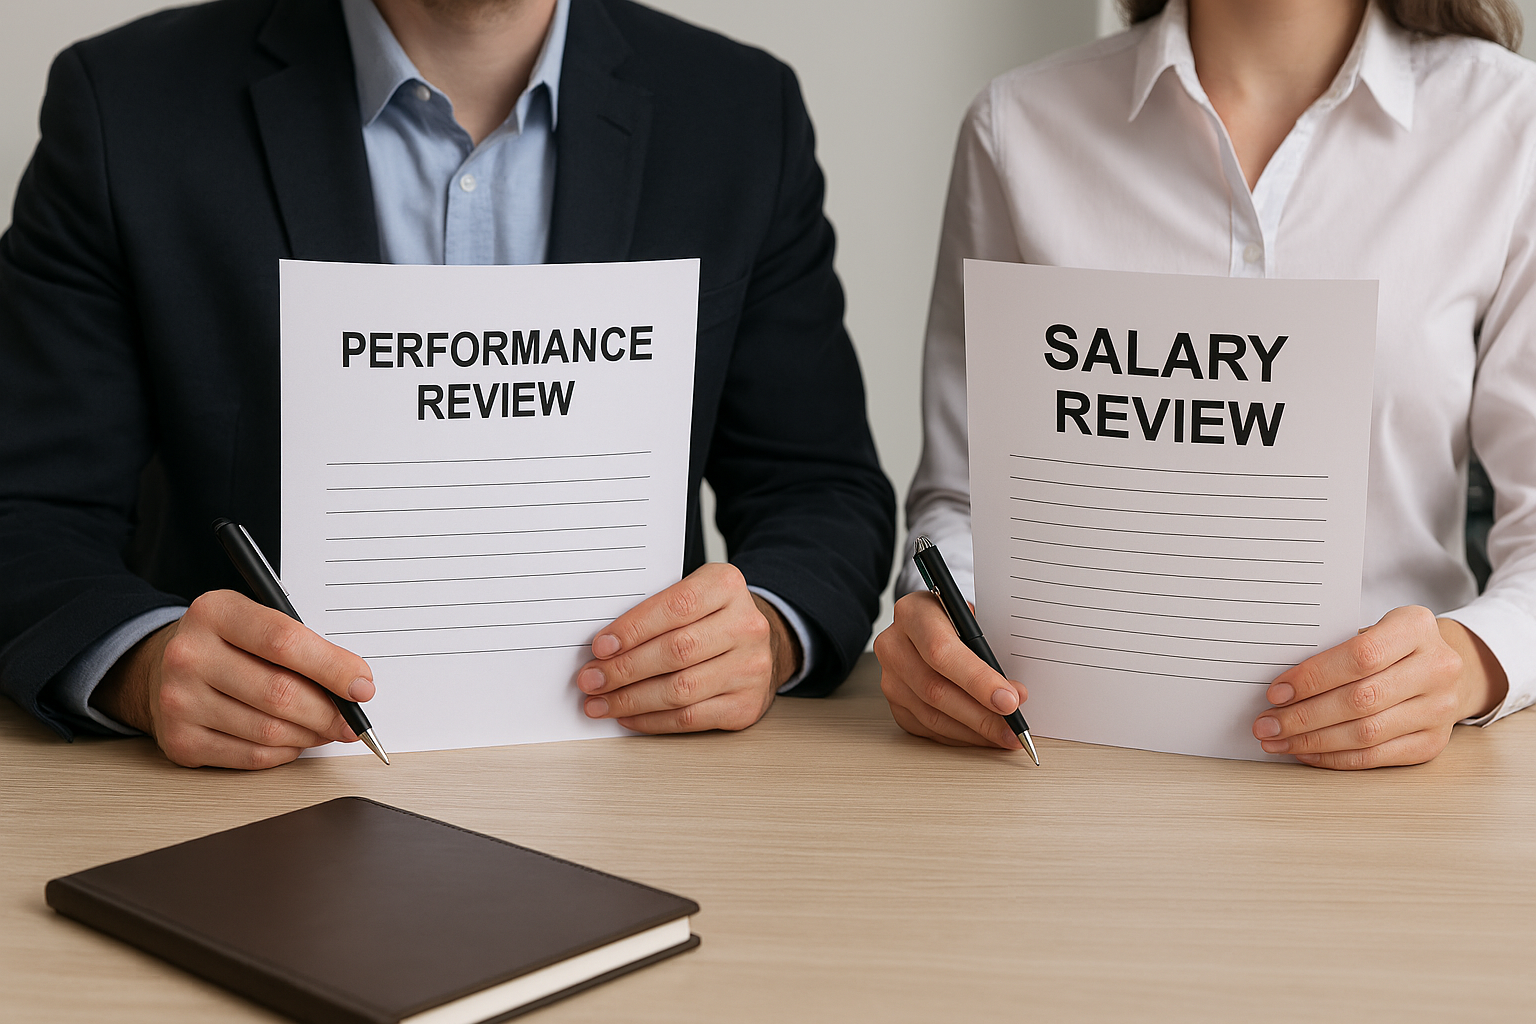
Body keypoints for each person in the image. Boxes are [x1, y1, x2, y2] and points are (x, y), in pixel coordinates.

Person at [0, 0, 895, 768]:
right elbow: (27, 507)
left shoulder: (741, 111)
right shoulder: (128, 103)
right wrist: (143, 665)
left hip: (641, 773)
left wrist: (764, 633)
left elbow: (816, 486)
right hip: (256, 792)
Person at [878, 0, 1535, 769]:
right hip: (1062, 757)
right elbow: (965, 500)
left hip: (1385, 775)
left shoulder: (1508, 125)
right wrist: (945, 632)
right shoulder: (1016, 126)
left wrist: (1470, 662)